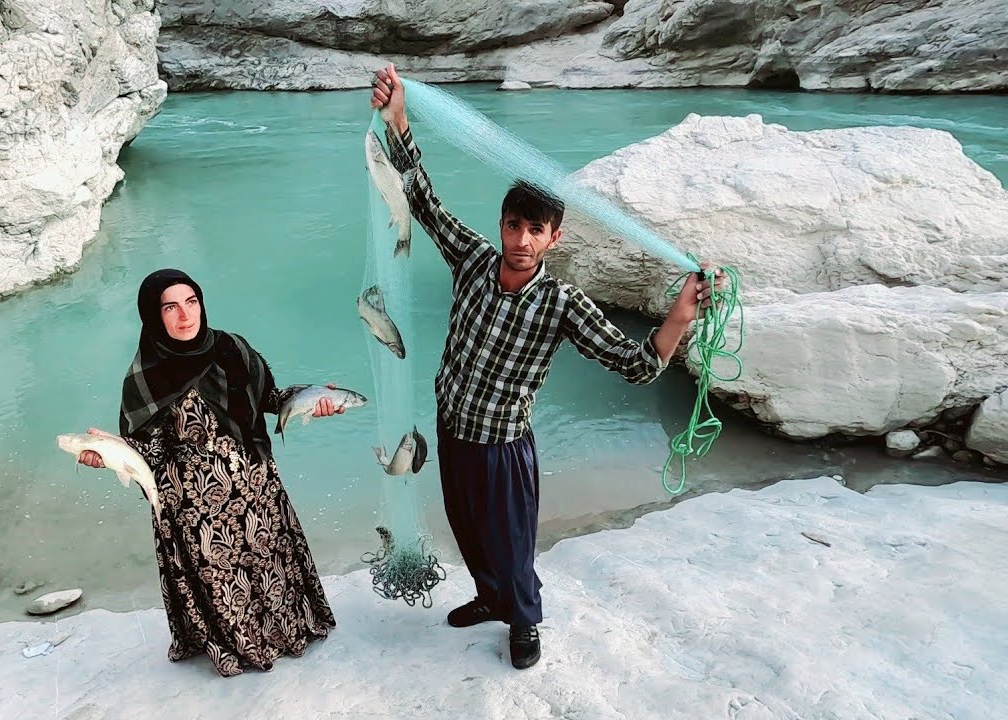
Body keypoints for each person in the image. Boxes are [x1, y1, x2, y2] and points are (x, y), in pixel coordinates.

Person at [369, 64, 726, 670]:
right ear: (501, 226)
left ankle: (525, 622)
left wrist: (680, 315)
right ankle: (489, 599)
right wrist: (399, 119)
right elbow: (423, 201)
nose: (522, 240)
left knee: (512, 544)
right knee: (466, 526)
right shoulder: (474, 261)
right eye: (514, 225)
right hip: (454, 426)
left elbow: (637, 365)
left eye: (536, 230)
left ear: (553, 238)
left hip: (504, 446)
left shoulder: (563, 305)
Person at [78, 268, 345, 677]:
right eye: (171, 307)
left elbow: (270, 398)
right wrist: (107, 455)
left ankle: (284, 631)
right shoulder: (144, 378)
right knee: (223, 582)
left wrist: (314, 399)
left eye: (191, 302)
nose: (185, 316)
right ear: (153, 316)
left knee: (268, 565)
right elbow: (145, 451)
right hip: (195, 509)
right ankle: (236, 646)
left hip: (256, 489)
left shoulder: (232, 348)